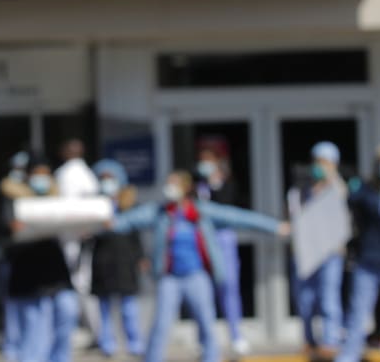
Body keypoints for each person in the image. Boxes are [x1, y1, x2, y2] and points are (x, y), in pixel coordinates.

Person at [111, 170, 289, 362]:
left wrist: (274, 226)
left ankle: (210, 358)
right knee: (161, 324)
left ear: (186, 188)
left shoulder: (201, 212)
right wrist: (98, 224)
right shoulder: (162, 212)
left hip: (196, 276)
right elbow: (129, 220)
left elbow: (239, 217)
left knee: (206, 323)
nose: (169, 188)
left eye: (174, 184)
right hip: (170, 278)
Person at [2, 153, 79, 362]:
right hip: (28, 271)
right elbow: (2, 229)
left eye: (45, 173)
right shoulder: (11, 197)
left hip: (56, 271)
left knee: (67, 311)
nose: (41, 178)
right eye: (37, 173)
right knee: (36, 326)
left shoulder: (56, 197)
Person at [335, 144, 380, 362]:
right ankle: (349, 355)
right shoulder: (366, 190)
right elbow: (349, 205)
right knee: (358, 312)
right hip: (368, 259)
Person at [289, 140, 348, 360]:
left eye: (326, 162)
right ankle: (308, 339)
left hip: (330, 253)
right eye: (318, 162)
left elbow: (342, 198)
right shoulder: (302, 189)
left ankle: (331, 339)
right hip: (306, 253)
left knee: (329, 298)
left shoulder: (338, 186)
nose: (320, 167)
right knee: (305, 299)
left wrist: (331, 176)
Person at [194, 144, 251, 357]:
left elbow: (225, 208)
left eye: (209, 161)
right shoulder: (197, 186)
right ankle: (205, 340)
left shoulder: (227, 184)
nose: (204, 165)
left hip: (224, 240)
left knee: (229, 290)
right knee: (203, 294)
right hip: (204, 241)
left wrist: (214, 184)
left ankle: (236, 335)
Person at [89, 159, 145, 358]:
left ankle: (135, 344)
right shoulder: (93, 204)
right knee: (104, 308)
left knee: (128, 307)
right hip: (102, 261)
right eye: (103, 178)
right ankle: (107, 344)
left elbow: (136, 235)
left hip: (124, 261)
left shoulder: (129, 204)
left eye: (110, 178)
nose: (107, 182)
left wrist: (140, 257)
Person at [53, 138, 101, 344]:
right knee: (76, 284)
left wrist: (85, 228)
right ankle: (87, 331)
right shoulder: (78, 173)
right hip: (68, 235)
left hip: (77, 237)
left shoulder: (77, 174)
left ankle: (94, 332)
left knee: (80, 284)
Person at [0, 150, 33, 362]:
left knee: (31, 308)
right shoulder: (4, 194)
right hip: (13, 258)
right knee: (13, 306)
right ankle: (12, 349)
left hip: (31, 259)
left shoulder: (36, 193)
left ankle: (28, 349)